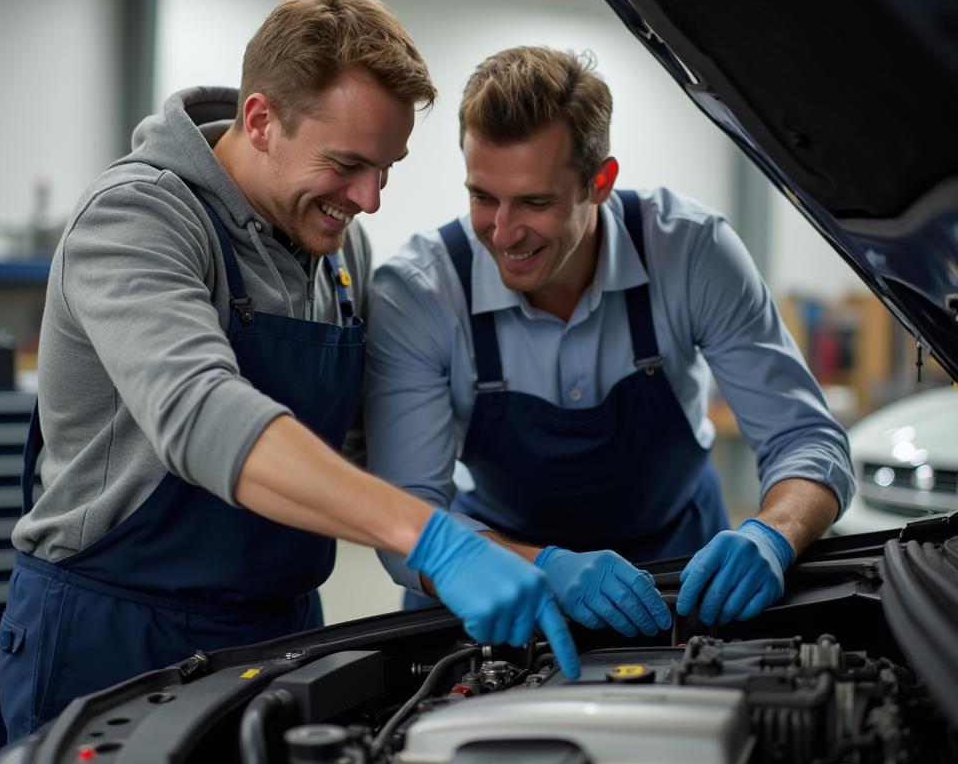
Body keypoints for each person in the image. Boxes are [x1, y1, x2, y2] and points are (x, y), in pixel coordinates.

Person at [0, 0, 579, 741]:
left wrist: (535, 563)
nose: (369, 199)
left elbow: (373, 480)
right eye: (347, 164)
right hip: (113, 635)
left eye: (387, 167)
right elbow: (201, 413)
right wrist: (432, 539)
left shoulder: (339, 254)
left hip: (281, 630)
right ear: (261, 121)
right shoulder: (136, 218)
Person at [365, 46, 854, 635]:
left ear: (600, 183)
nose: (502, 232)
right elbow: (405, 522)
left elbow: (806, 438)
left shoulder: (692, 252)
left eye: (535, 202)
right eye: (482, 196)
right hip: (497, 573)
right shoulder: (419, 292)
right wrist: (542, 567)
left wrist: (774, 534)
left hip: (680, 572)